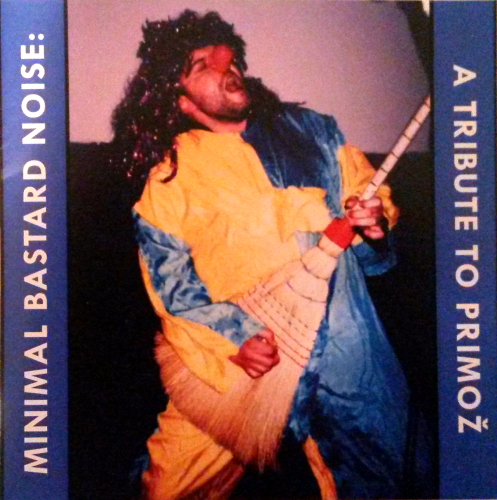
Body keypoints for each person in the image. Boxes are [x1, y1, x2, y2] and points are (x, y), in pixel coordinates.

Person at [112, 10, 423, 500]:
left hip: (347, 354)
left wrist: (372, 223)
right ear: (180, 99)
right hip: (238, 367)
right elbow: (173, 292)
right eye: (202, 65)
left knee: (380, 476)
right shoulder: (169, 181)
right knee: (168, 488)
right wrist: (234, 343)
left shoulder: (314, 132)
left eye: (229, 59)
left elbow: (371, 219)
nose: (227, 67)